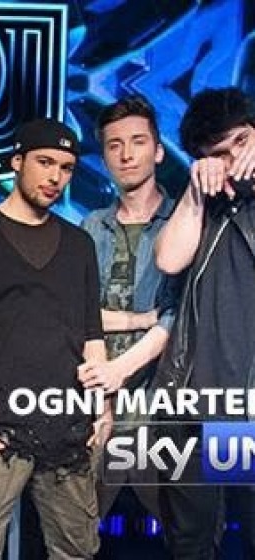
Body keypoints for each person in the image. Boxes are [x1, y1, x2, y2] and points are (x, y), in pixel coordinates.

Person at [0, 118, 106, 558]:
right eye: (45, 162)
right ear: (17, 161)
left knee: (77, 550)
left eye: (66, 167)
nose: (55, 177)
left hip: (68, 427)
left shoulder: (79, 244)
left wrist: (102, 410)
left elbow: (91, 333)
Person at [153, 87, 255, 560]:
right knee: (190, 542)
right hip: (196, 404)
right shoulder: (205, 207)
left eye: (242, 142)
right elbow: (169, 260)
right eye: (218, 154)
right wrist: (194, 193)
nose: (234, 161)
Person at [79, 95, 179, 520]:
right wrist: (139, 319)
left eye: (138, 142)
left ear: (158, 151)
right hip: (96, 392)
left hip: (165, 392)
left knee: (182, 519)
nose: (126, 154)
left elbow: (183, 315)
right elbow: (79, 312)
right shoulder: (90, 227)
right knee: (79, 520)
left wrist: (122, 368)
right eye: (114, 145)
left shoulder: (184, 223)